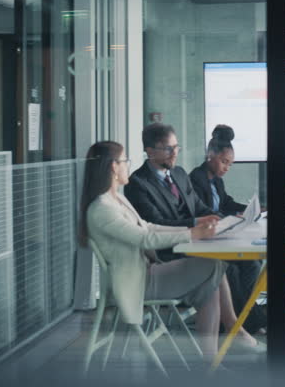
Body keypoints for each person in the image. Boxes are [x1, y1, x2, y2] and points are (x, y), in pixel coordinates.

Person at [79, 141, 263, 358]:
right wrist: (192, 234)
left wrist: (192, 228)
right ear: (113, 167)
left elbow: (148, 226)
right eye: (125, 161)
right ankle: (228, 336)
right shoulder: (102, 209)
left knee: (211, 280)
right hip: (136, 282)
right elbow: (145, 238)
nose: (128, 165)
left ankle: (212, 361)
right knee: (213, 266)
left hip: (146, 271)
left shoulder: (116, 199)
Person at [189, 125, 267, 334]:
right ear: (210, 156)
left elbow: (227, 202)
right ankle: (250, 320)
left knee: (252, 262)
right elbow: (204, 211)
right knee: (230, 268)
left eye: (230, 164)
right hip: (207, 238)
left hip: (220, 234)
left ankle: (246, 314)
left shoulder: (216, 181)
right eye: (224, 162)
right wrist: (229, 219)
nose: (226, 167)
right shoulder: (196, 179)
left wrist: (251, 210)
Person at [124, 123, 221, 263]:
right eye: (168, 148)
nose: (175, 153)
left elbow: (199, 207)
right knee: (231, 265)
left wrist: (225, 220)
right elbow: (155, 224)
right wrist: (195, 223)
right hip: (170, 252)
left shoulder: (180, 173)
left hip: (196, 242)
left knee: (245, 262)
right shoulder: (137, 183)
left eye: (176, 147)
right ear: (150, 152)